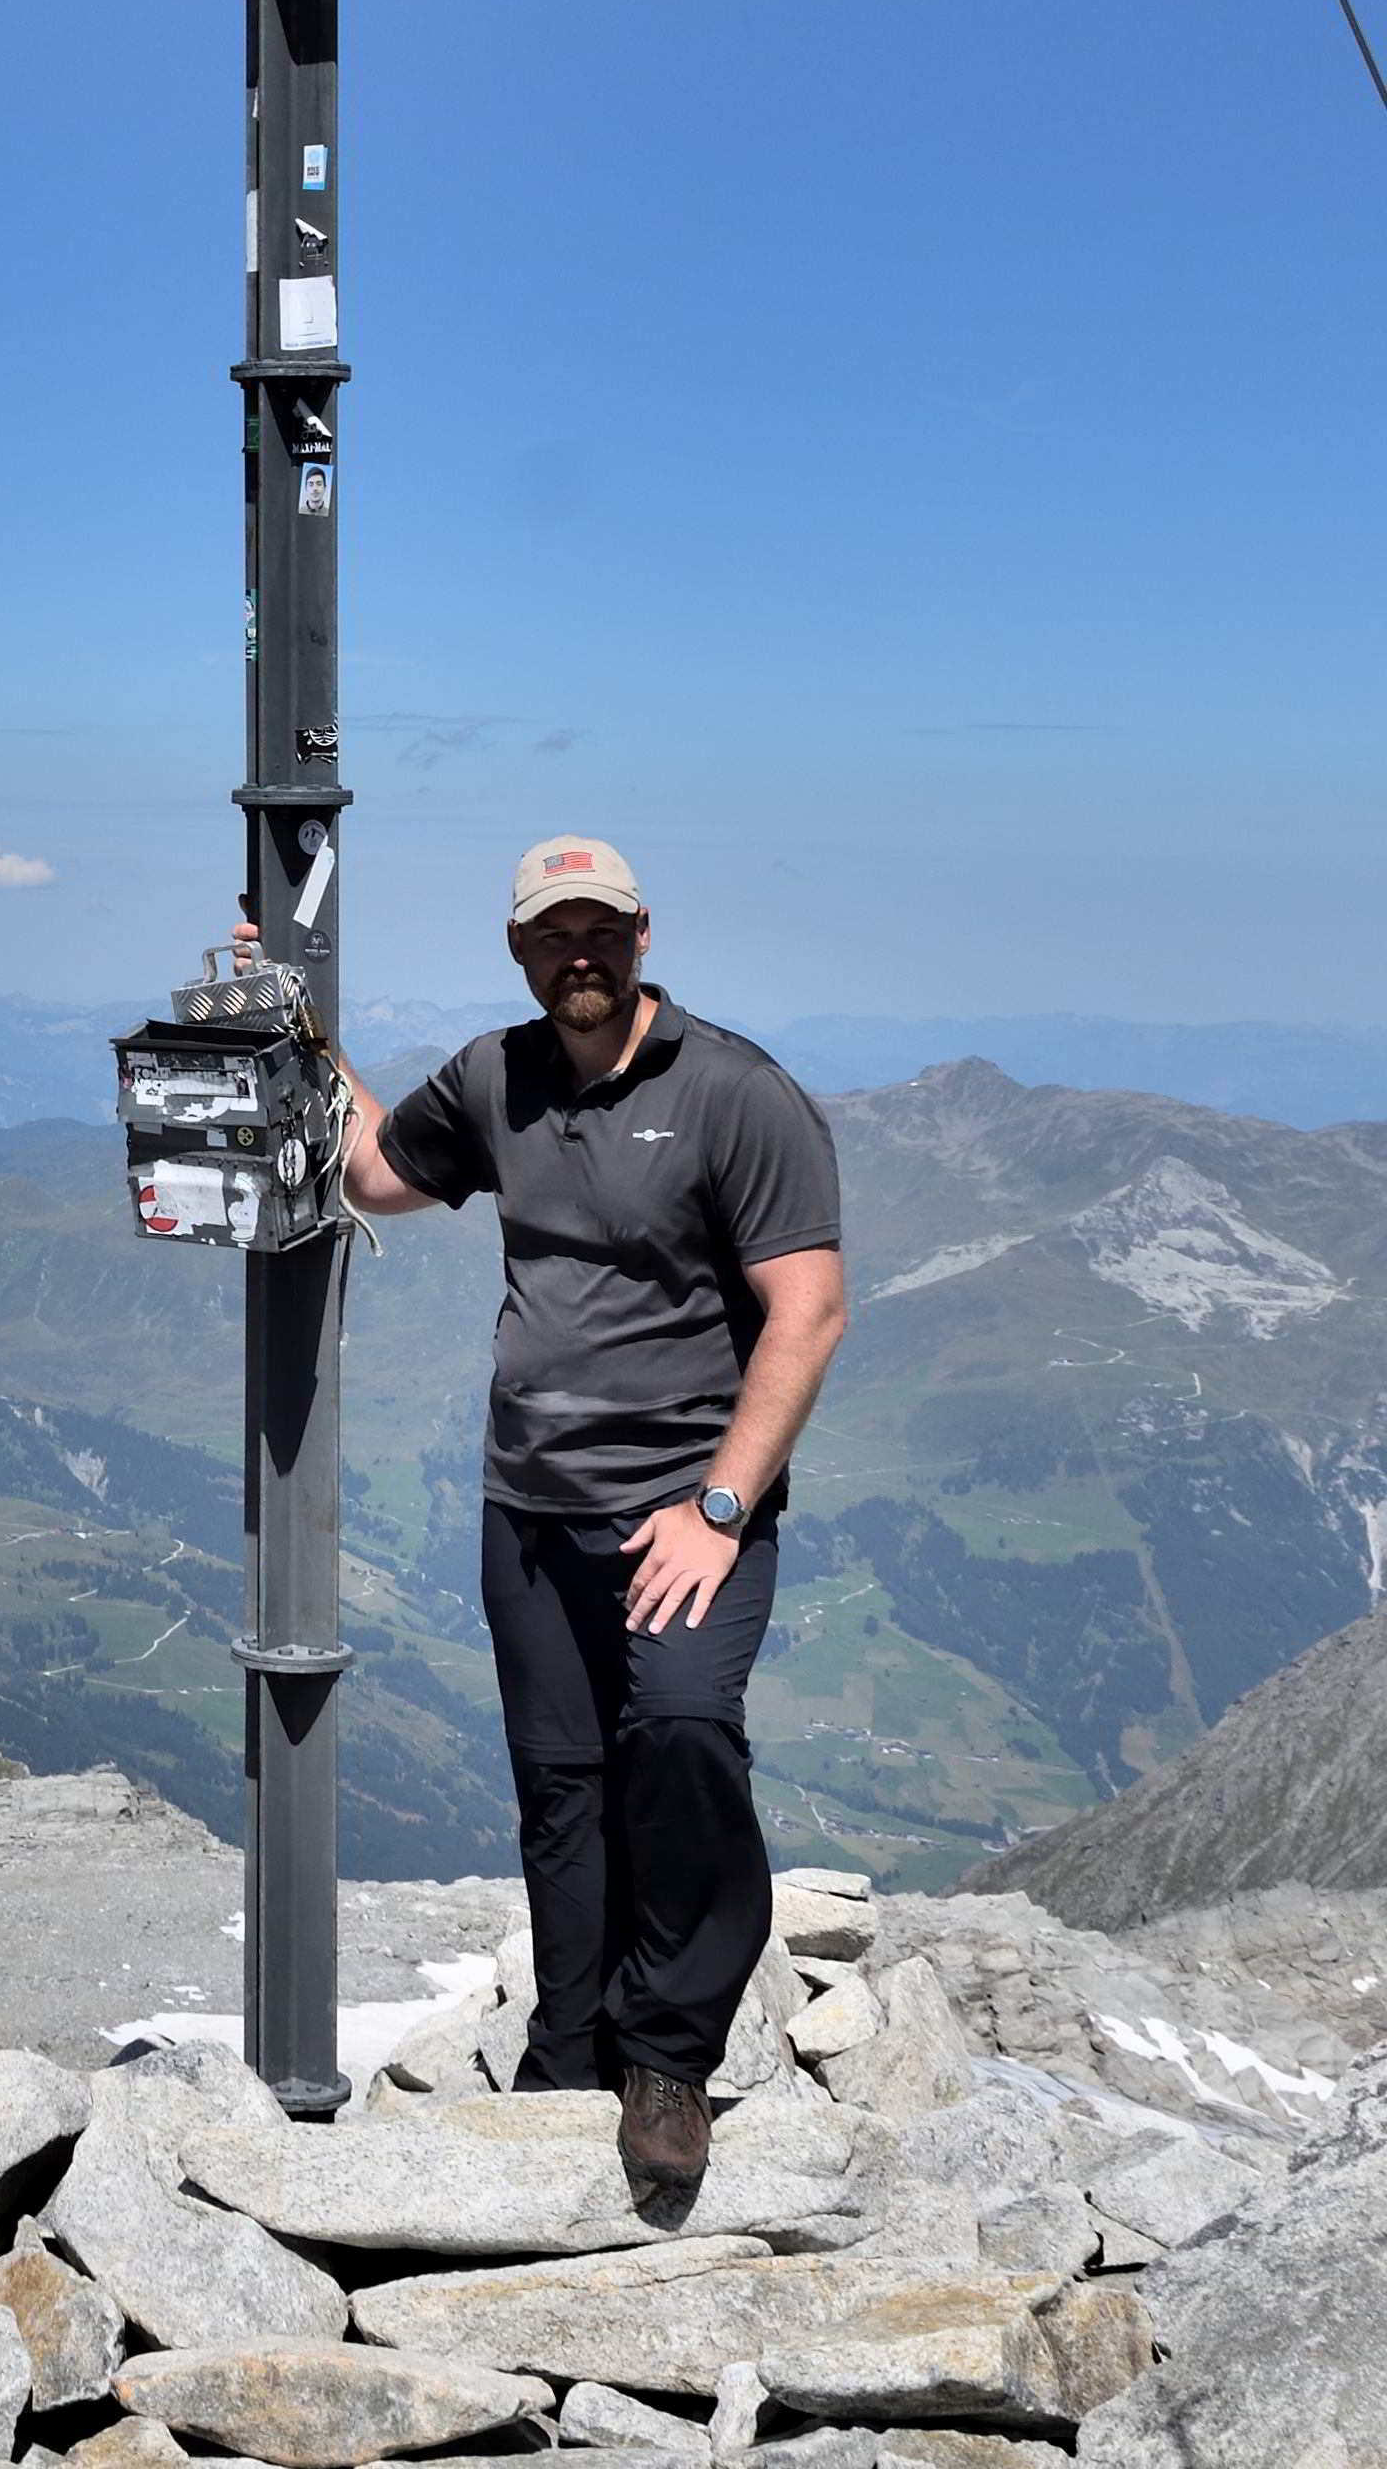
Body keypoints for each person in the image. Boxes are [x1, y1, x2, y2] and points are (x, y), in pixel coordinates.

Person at [328, 833, 846, 2205]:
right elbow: (378, 1175)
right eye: (555, 934)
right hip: (531, 1509)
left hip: (687, 1510)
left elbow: (807, 1311)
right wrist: (298, 1031)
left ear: (643, 934)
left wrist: (720, 1507)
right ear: (519, 948)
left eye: (602, 930)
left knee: (680, 1733)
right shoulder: (494, 1077)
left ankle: (668, 2057)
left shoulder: (734, 1091)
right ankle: (571, 2052)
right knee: (561, 1790)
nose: (581, 954)